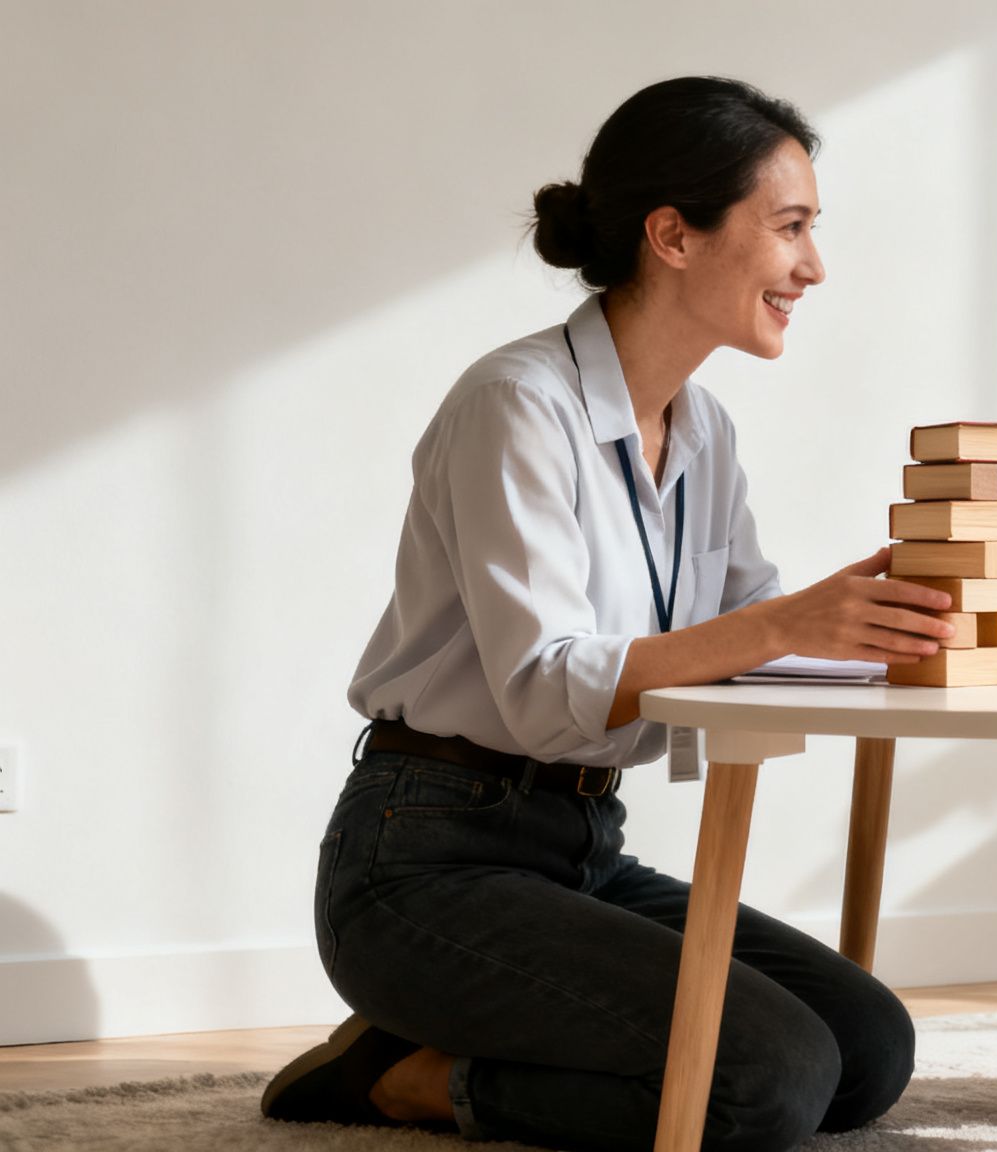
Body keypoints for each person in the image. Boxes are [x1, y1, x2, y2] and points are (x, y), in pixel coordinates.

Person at [259, 77, 959, 1152]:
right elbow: (549, 696)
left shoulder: (705, 428)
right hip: (423, 861)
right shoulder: (517, 405)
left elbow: (748, 635)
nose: (812, 267)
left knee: (866, 1046)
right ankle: (402, 1076)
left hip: (583, 849)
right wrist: (785, 626)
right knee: (767, 1076)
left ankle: (461, 1053)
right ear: (673, 235)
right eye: (790, 228)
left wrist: (904, 633)